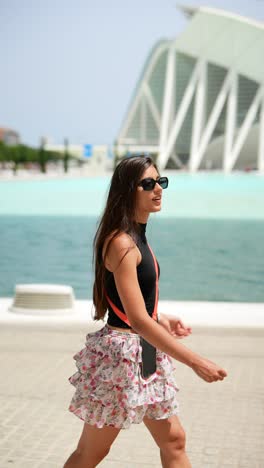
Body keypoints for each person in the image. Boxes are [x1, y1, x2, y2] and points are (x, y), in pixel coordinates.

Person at [64, 156, 227, 468]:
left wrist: (161, 317)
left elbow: (134, 305)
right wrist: (196, 361)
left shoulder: (137, 235)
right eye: (148, 183)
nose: (158, 189)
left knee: (174, 440)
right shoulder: (122, 242)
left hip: (146, 352)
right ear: (128, 190)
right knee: (91, 453)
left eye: (160, 182)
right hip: (122, 358)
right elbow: (137, 320)